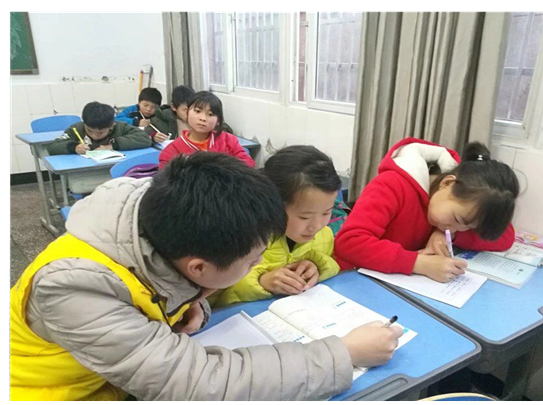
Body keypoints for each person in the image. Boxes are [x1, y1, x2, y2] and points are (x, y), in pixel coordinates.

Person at [10, 152, 403, 401]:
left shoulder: (159, 221)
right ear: (198, 267)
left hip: (108, 378)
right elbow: (196, 384)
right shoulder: (74, 287)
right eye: (251, 262)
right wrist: (343, 355)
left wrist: (190, 300)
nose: (257, 266)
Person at [334, 138, 519, 283]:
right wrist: (418, 263)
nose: (453, 228)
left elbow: (505, 236)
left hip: (395, 284)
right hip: (351, 278)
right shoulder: (392, 185)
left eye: (467, 227)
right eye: (456, 219)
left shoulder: (452, 210)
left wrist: (447, 234)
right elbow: (349, 243)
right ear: (447, 183)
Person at [211, 145, 341, 307]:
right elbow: (215, 300)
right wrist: (261, 282)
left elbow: (333, 264)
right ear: (274, 204)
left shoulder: (324, 235)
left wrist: (318, 268)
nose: (317, 225)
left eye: (326, 213)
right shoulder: (247, 238)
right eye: (304, 217)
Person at [158, 91, 255, 168]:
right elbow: (166, 179)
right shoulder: (172, 150)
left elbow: (248, 165)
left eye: (210, 114)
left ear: (218, 120)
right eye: (197, 111)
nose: (203, 118)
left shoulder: (229, 140)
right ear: (187, 113)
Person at [47, 102, 152, 155]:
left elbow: (145, 138)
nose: (94, 135)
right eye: (90, 131)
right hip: (84, 172)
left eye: (100, 133)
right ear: (84, 123)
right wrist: (74, 147)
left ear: (111, 126)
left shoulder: (120, 127)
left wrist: (113, 145)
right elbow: (52, 147)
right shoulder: (76, 129)